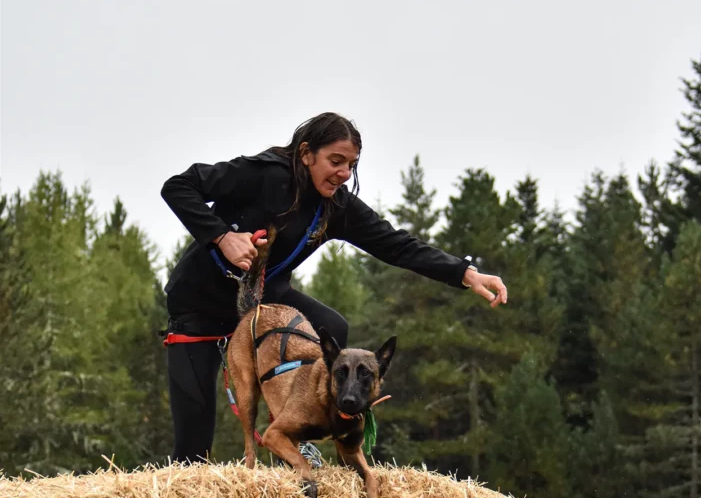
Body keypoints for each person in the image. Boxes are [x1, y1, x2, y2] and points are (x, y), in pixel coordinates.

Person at [161, 112, 507, 463]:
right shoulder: (261, 174)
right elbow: (177, 186)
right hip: (199, 308)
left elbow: (396, 244)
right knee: (193, 450)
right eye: (335, 161)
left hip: (266, 303)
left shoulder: (336, 206)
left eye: (351, 165)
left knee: (334, 328)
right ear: (307, 153)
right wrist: (222, 236)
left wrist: (465, 273)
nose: (344, 173)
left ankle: (300, 429)